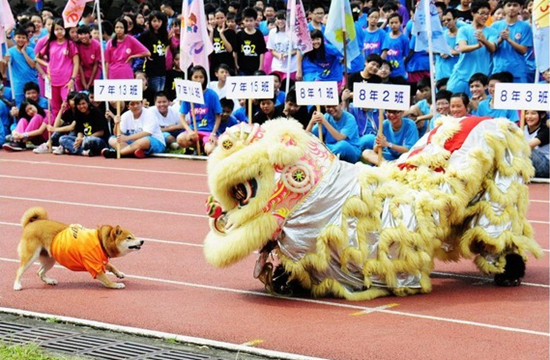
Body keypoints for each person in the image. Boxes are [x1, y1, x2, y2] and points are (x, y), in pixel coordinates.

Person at [447, 1, 497, 94]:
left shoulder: (492, 31)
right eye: (481, 13)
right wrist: (478, 45)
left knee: (477, 105)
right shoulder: (464, 30)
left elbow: (493, 48)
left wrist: (484, 40)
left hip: (480, 78)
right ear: (473, 13)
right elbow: (462, 48)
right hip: (461, 75)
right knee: (451, 100)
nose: (485, 17)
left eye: (487, 14)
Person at [35, 18, 79, 118]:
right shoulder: (50, 43)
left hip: (66, 81)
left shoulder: (70, 44)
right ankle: (56, 129)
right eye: (56, 29)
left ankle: (68, 127)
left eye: (61, 29)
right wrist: (47, 65)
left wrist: (72, 79)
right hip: (52, 80)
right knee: (55, 107)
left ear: (65, 30)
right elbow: (37, 58)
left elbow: (76, 63)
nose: (59, 32)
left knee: (67, 104)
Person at [176, 66, 222, 155]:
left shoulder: (212, 94)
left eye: (201, 77)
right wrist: (189, 130)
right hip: (194, 131)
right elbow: (182, 116)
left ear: (205, 78)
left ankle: (204, 146)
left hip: (208, 131)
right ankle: (196, 147)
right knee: (180, 139)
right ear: (190, 78)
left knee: (210, 150)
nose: (198, 80)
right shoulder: (187, 95)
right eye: (195, 77)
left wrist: (213, 133)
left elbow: (218, 116)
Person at [306, 96, 362, 163]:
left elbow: (340, 137)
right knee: (315, 144)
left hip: (351, 150)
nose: (331, 109)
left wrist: (324, 121)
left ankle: (323, 158)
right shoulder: (326, 117)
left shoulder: (349, 118)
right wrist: (311, 122)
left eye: (334, 106)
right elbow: (307, 135)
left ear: (341, 104)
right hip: (330, 147)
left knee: (342, 145)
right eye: (328, 107)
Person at [491, 0, 532, 83]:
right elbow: (491, 48)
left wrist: (509, 39)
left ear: (520, 8)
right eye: (509, 5)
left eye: (515, 5)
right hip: (499, 70)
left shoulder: (525, 27)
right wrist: (500, 39)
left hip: (518, 71)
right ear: (503, 7)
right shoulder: (495, 26)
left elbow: (523, 50)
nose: (512, 8)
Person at [3, 26, 37, 107]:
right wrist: (5, 60)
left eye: (23, 38)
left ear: (26, 39)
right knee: (19, 106)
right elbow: (4, 66)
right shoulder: (10, 52)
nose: (21, 40)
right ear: (14, 38)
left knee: (34, 105)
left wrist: (23, 52)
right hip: (18, 85)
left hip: (31, 82)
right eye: (19, 37)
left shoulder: (30, 50)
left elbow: (33, 65)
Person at [137, 11, 170, 92]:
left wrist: (165, 53)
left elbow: (167, 44)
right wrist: (144, 54)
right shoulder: (146, 34)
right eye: (154, 21)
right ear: (150, 21)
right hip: (152, 70)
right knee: (155, 93)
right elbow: (136, 45)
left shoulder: (164, 34)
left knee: (161, 92)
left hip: (162, 69)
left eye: (159, 21)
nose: (157, 23)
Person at [267, 10, 301, 81]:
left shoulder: (293, 32)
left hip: (291, 66)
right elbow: (271, 49)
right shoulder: (272, 32)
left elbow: (297, 49)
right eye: (278, 19)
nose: (280, 21)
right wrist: (279, 55)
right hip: (277, 66)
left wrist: (286, 54)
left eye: (283, 19)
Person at [234, 7, 267, 75]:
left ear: (255, 21)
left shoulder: (259, 34)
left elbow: (261, 52)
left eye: (251, 20)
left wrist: (260, 67)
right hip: (242, 68)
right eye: (246, 20)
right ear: (243, 21)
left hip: (255, 68)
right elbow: (235, 51)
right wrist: (236, 64)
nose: (249, 23)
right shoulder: (239, 34)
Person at [208, 7, 237, 80]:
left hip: (228, 64)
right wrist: (211, 33)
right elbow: (209, 49)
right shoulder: (212, 31)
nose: (220, 20)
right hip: (215, 65)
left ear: (225, 18)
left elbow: (230, 49)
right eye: (217, 18)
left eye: (222, 18)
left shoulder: (230, 32)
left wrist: (221, 34)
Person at [381, 13, 409, 80]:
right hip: (386, 71)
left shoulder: (404, 38)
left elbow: (406, 55)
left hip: (399, 71)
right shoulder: (385, 36)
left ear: (400, 23)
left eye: (396, 22)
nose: (394, 25)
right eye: (391, 23)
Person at [436, 9, 460, 81]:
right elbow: (428, 49)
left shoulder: (462, 34)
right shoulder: (441, 34)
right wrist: (441, 50)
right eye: (444, 21)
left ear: (455, 19)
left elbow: (466, 51)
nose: (446, 22)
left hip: (456, 74)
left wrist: (451, 52)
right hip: (441, 74)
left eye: (449, 20)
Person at [75, 25, 101, 91]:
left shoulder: (97, 45)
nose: (83, 36)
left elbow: (96, 64)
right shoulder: (77, 45)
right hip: (81, 73)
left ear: (89, 34)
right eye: (80, 34)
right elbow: (79, 65)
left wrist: (89, 83)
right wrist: (84, 83)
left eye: (85, 34)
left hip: (94, 72)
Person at [524, 110, 549, 178]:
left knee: (526, 149)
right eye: (527, 113)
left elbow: (529, 146)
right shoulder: (522, 128)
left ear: (542, 115)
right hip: (530, 165)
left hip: (545, 166)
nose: (529, 116)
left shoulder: (546, 130)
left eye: (533, 113)